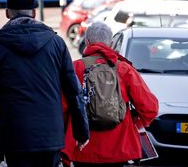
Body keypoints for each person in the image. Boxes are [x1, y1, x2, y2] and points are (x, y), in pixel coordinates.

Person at [0, 0, 89, 167]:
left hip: (15, 133)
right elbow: (73, 90)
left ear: (7, 13)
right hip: (50, 134)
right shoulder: (56, 43)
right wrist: (81, 130)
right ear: (34, 13)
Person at [61, 22, 158, 167]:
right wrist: (132, 123)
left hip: (82, 148)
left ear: (87, 42)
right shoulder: (124, 69)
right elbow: (150, 108)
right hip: (119, 149)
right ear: (111, 43)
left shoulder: (75, 68)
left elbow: (61, 108)